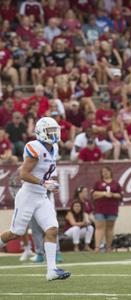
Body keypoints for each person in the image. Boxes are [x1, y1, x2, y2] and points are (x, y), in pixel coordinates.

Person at [0, 117, 71, 281]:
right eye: (50, 131)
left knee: (52, 229)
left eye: (55, 130)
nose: (54, 134)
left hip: (41, 196)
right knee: (16, 232)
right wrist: (43, 182)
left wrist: (50, 182)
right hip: (28, 195)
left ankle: (52, 270)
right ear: (41, 132)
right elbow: (23, 174)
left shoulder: (54, 147)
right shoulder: (34, 147)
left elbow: (46, 171)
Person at [92, 166, 123, 252]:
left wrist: (112, 195)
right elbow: (94, 194)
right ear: (101, 174)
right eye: (103, 171)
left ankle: (109, 247)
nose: (105, 173)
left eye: (107, 171)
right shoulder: (98, 183)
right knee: (99, 227)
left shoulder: (115, 184)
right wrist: (104, 193)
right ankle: (97, 247)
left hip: (112, 208)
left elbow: (120, 195)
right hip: (100, 208)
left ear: (110, 172)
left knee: (110, 227)